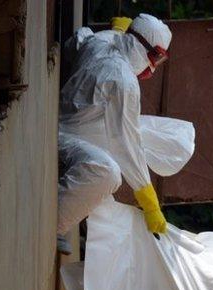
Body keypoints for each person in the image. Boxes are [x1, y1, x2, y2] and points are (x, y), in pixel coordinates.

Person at [57, 14, 172, 254]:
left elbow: (74, 43)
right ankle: (53, 223)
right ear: (145, 49)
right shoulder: (123, 81)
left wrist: (117, 33)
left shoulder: (100, 41)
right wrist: (149, 201)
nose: (153, 66)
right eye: (156, 58)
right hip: (65, 136)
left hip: (72, 126)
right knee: (109, 174)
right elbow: (127, 145)